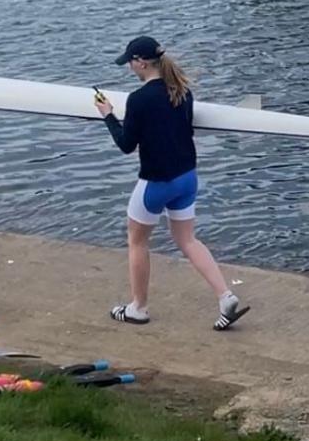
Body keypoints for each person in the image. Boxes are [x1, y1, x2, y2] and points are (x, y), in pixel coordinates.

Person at [96, 35, 250, 330]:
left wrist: (108, 116)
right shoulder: (182, 91)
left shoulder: (138, 99)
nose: (129, 68)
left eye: (130, 62)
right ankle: (225, 295)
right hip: (187, 178)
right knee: (187, 239)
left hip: (156, 182)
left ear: (141, 62)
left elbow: (126, 145)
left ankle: (138, 308)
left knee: (137, 241)